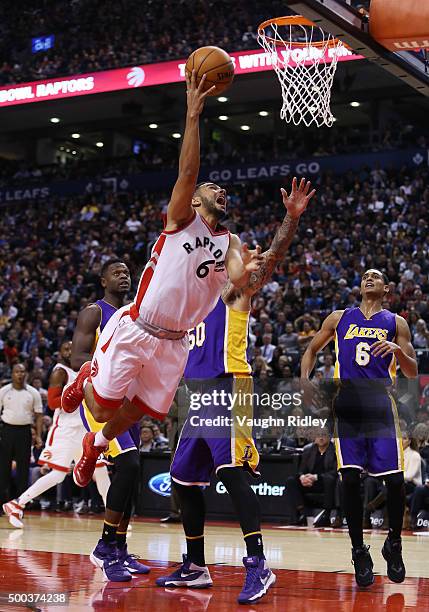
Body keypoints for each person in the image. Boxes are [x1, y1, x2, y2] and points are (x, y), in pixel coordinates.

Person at [61, 71, 263, 488]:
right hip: (139, 325)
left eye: (224, 189)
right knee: (100, 407)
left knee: (139, 410)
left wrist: (257, 263)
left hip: (176, 343)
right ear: (194, 198)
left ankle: (94, 444)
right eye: (212, 187)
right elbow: (188, 169)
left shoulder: (231, 241)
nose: (221, 191)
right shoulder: (181, 218)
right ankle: (85, 379)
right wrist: (192, 115)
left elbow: (240, 283)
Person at [156, 177, 315, 604]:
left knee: (231, 473)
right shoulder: (190, 302)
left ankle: (259, 565)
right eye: (212, 187)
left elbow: (274, 256)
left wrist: (290, 218)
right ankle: (194, 566)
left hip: (230, 386)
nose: (221, 191)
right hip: (200, 395)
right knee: (183, 481)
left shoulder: (234, 291)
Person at [301, 269, 418, 587]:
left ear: (387, 288)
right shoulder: (340, 318)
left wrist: (398, 352)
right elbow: (311, 351)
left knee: (394, 481)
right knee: (349, 479)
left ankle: (394, 543)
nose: (368, 278)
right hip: (348, 403)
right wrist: (304, 380)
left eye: (376, 276)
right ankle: (358, 550)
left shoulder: (396, 323)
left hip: (380, 403)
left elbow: (411, 370)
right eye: (364, 275)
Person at [72, 259, 150, 581]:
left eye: (127, 273)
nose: (124, 276)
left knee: (130, 475)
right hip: (99, 402)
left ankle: (119, 547)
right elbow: (78, 360)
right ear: (103, 280)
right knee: (129, 463)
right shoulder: (95, 312)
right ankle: (104, 547)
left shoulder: (135, 315)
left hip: (127, 403)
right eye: (116, 273)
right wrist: (98, 389)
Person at [2, 341, 110, 528]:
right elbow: (52, 403)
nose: (69, 351)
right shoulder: (60, 371)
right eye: (65, 349)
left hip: (85, 428)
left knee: (100, 471)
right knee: (58, 475)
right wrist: (77, 393)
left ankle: (113, 517)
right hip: (66, 430)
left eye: (71, 348)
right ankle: (17, 503)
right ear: (60, 354)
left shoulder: (87, 368)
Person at [0, 363, 43, 508]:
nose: (20, 374)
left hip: (24, 432)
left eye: (22, 372)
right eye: (17, 371)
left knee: (23, 470)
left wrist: (38, 436)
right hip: (6, 431)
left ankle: (20, 505)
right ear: (12, 373)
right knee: (3, 469)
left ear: (26, 374)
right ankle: (1, 503)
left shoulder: (33, 392)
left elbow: (39, 416)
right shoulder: (4, 391)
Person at [286, 428, 337, 527]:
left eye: (324, 435)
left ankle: (326, 515)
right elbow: (301, 469)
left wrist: (316, 477)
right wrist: (302, 477)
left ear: (329, 437)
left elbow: (334, 472)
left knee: (329, 480)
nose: (321, 437)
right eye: (318, 435)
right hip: (310, 482)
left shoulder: (334, 450)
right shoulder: (309, 449)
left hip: (324, 482)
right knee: (291, 481)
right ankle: (302, 513)